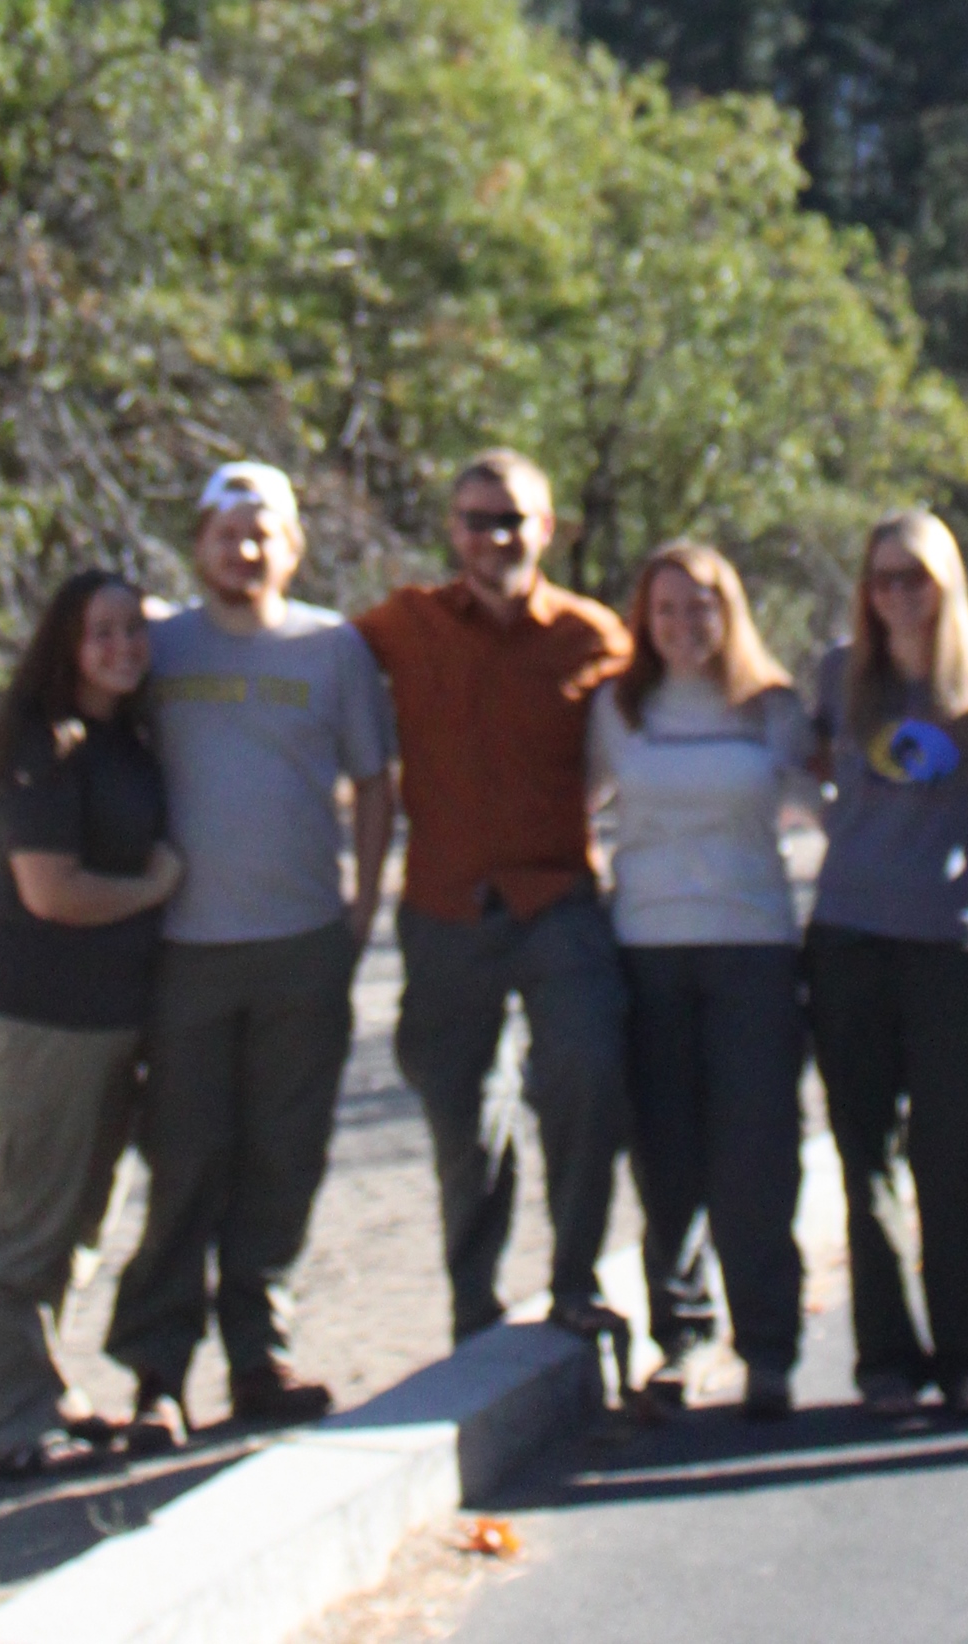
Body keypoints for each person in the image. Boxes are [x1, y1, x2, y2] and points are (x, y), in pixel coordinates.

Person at [107, 462, 396, 1441]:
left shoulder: (334, 648)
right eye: (227, 530)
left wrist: (361, 911)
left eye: (263, 530)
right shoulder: (161, 645)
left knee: (284, 1155)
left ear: (294, 544)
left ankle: (259, 1353)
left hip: (301, 944)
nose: (245, 548)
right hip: (185, 949)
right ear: (198, 543)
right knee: (184, 1157)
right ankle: (155, 1369)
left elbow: (373, 781)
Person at [356, 448, 632, 1344]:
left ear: (546, 529)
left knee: (586, 1075)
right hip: (444, 907)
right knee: (460, 1111)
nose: (494, 537)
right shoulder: (404, 626)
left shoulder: (593, 637)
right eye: (477, 520)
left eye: (512, 519)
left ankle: (574, 1280)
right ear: (453, 532)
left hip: (557, 899)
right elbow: (310, 663)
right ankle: (473, 1303)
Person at [0, 568, 181, 1483]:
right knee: (17, 1219)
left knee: (73, 1217)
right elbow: (52, 892)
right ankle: (4, 1425)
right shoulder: (43, 749)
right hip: (31, 1016)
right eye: (101, 633)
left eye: (134, 630)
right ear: (65, 645)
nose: (121, 647)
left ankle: (39, 1391)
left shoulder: (124, 735)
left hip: (102, 1020)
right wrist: (157, 886)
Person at [587, 541, 814, 1413]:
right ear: (644, 619)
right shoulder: (618, 707)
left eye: (702, 606)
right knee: (666, 1156)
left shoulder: (770, 707)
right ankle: (681, 1339)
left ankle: (769, 1347)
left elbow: (828, 798)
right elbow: (571, 803)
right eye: (667, 608)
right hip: (646, 947)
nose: (685, 625)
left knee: (756, 1153)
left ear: (731, 612)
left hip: (752, 947)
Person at [805, 508, 968, 1420]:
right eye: (882, 578)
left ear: (945, 584)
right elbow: (808, 766)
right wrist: (845, 834)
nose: (897, 595)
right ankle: (885, 1358)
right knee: (865, 1156)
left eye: (914, 578)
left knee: (953, 1156)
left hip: (948, 944)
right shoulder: (836, 675)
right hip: (848, 936)